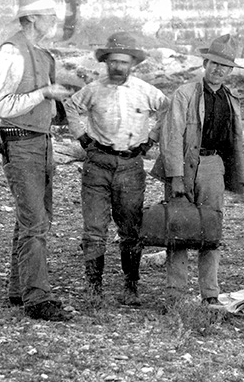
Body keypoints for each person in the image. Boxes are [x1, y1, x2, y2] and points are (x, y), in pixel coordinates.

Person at [64, 32, 167, 306]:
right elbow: (70, 106)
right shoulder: (94, 89)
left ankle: (131, 286)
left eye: (123, 62)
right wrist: (82, 137)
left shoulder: (145, 91)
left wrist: (152, 139)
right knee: (94, 230)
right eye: (113, 61)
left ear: (132, 63)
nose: (118, 67)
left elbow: (169, 110)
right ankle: (93, 288)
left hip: (131, 166)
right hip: (97, 165)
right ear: (105, 62)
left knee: (130, 230)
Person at [0, 0, 72, 322]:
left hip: (40, 141)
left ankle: (18, 289)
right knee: (35, 221)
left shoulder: (42, 54)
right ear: (33, 18)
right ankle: (37, 299)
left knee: (33, 219)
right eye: (49, 16)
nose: (54, 21)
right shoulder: (12, 52)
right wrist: (44, 94)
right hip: (20, 142)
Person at [152, 34, 244, 304]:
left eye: (225, 66)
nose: (219, 70)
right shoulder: (186, 93)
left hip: (213, 165)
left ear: (230, 70)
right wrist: (176, 176)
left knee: (211, 229)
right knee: (178, 227)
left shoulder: (231, 97)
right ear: (205, 63)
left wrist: (236, 175)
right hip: (184, 163)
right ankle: (175, 294)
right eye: (215, 64)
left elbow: (235, 140)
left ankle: (210, 294)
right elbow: (171, 136)